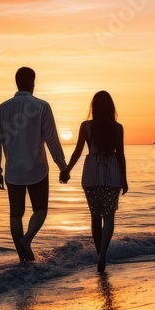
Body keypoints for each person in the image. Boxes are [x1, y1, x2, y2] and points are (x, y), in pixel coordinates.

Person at [0, 67, 68, 263]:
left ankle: (22, 258)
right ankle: (27, 241)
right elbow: (52, 140)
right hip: (38, 169)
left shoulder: (1, 109)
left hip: (13, 171)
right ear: (33, 82)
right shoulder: (42, 106)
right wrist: (62, 166)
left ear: (16, 82)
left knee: (16, 214)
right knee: (40, 210)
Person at [60, 91, 128, 273]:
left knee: (95, 217)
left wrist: (67, 170)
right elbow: (120, 154)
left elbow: (78, 151)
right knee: (109, 216)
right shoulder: (117, 127)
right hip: (112, 172)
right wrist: (125, 178)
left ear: (94, 107)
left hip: (92, 173)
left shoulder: (86, 126)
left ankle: (99, 254)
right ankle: (102, 255)